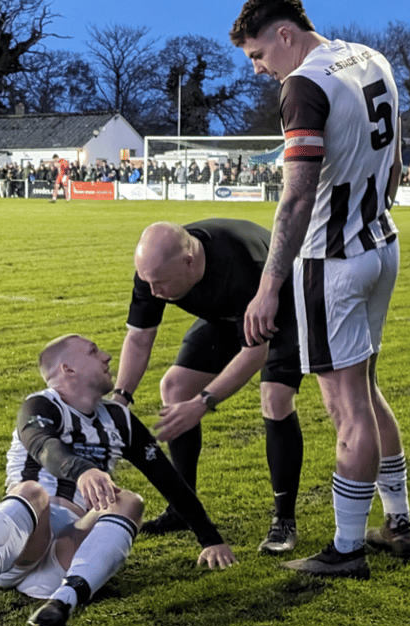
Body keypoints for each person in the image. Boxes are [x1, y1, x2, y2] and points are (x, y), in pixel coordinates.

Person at [231, 0, 410, 579]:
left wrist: (269, 285)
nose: (260, 69)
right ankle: (398, 520)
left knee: (346, 406)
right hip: (380, 244)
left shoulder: (304, 85)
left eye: (260, 55)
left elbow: (296, 196)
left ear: (285, 35)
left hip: (331, 260)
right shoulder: (369, 57)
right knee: (365, 385)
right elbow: (394, 159)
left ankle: (347, 548)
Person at [0, 334, 235, 626]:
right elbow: (44, 447)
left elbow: (167, 479)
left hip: (67, 553)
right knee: (31, 490)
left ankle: (60, 605)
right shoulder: (40, 405)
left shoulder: (118, 418)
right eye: (94, 352)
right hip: (20, 546)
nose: (107, 357)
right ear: (68, 368)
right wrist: (82, 471)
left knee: (130, 501)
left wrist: (210, 538)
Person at [113, 219, 305, 554]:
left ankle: (284, 520)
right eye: (148, 282)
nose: (153, 291)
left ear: (189, 262)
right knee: (174, 387)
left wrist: (203, 402)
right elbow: (140, 338)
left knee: (275, 398)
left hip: (285, 308)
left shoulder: (243, 266)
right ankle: (181, 509)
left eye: (160, 284)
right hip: (228, 316)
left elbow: (255, 352)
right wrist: (120, 397)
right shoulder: (154, 269)